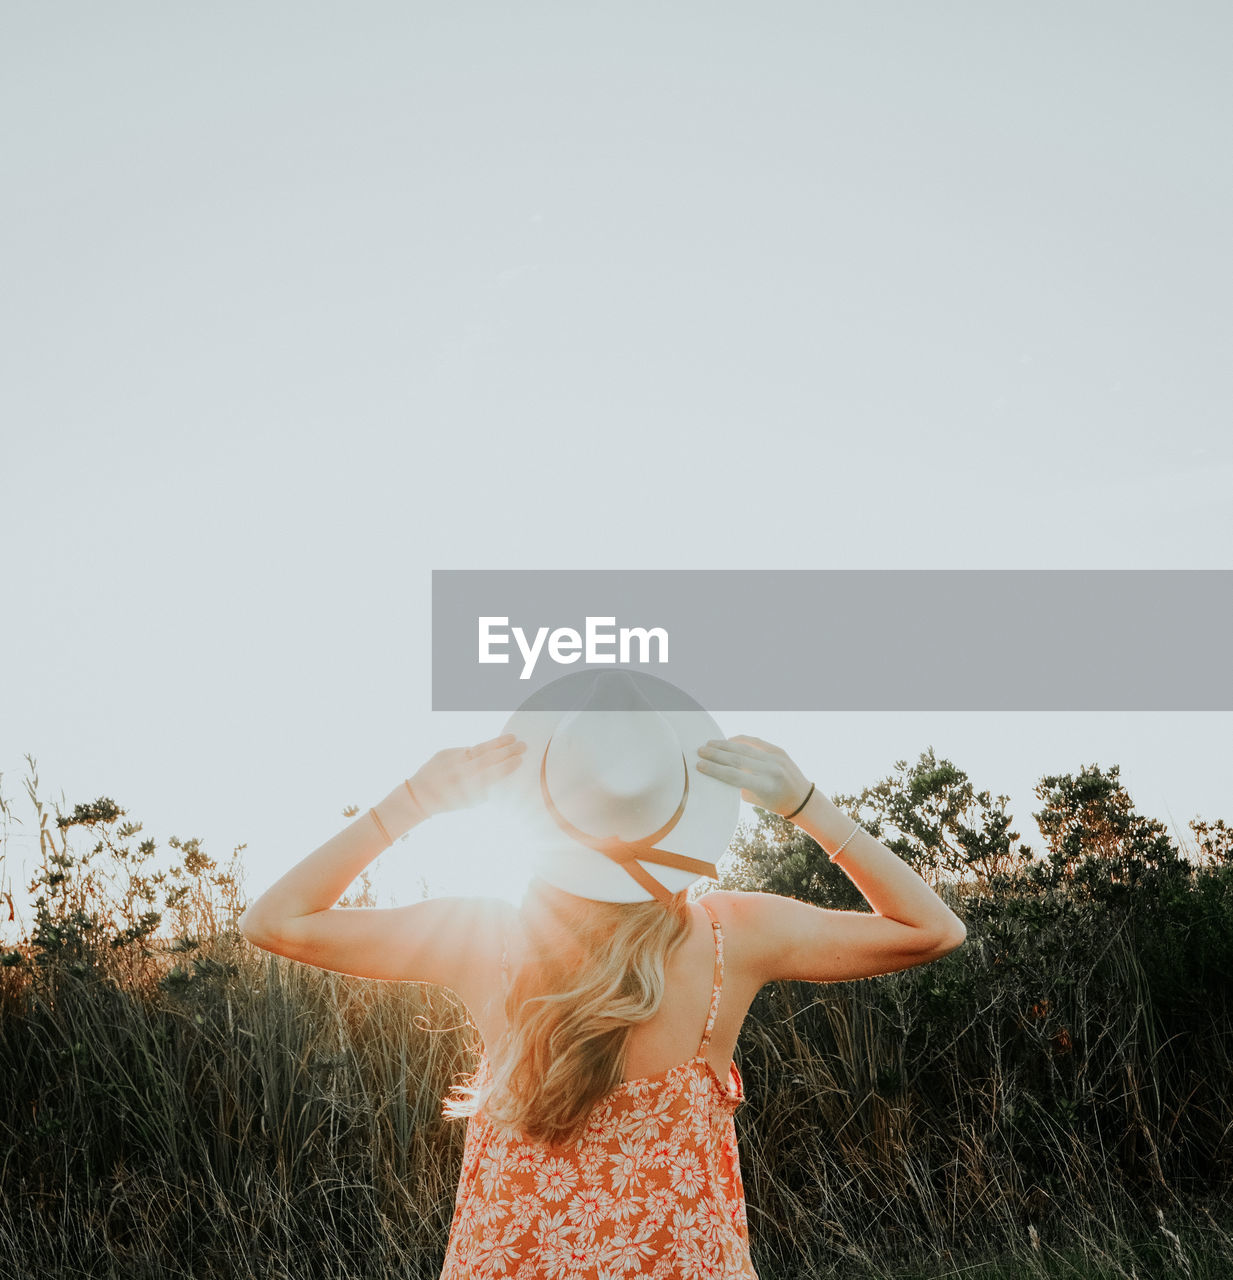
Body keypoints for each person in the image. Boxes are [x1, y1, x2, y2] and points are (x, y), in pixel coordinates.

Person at [239, 671, 966, 1279]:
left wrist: (413, 801)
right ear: (679, 804)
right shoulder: (730, 937)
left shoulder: (478, 938)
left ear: (547, 800)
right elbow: (933, 930)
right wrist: (807, 806)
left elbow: (275, 922)